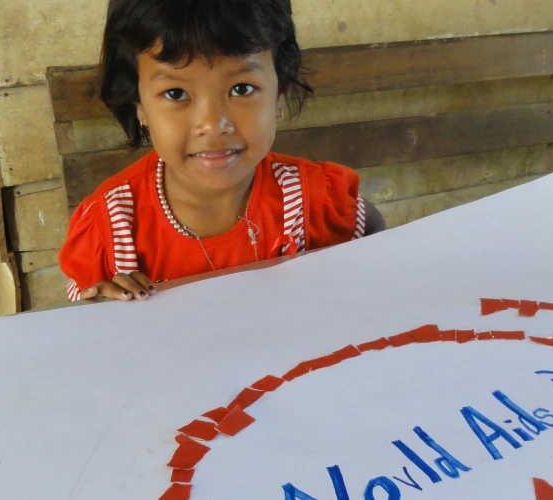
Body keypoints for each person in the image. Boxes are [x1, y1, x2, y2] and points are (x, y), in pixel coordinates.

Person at [59, 0, 385, 302]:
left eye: (241, 89)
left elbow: (374, 231)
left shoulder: (316, 200)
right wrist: (101, 310)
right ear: (139, 107)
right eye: (175, 93)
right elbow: (87, 321)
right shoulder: (110, 231)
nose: (213, 125)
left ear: (279, 96)